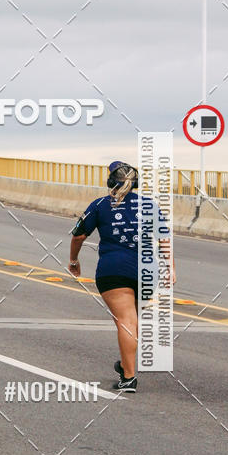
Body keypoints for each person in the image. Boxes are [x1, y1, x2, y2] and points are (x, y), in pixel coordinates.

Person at [68, 161, 176, 393]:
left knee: (125, 321)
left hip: (113, 269)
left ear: (110, 182)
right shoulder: (150, 205)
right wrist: (171, 267)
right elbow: (164, 238)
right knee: (132, 319)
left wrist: (74, 260)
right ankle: (125, 365)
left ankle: (128, 377)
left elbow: (78, 236)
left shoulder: (99, 205)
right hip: (147, 270)